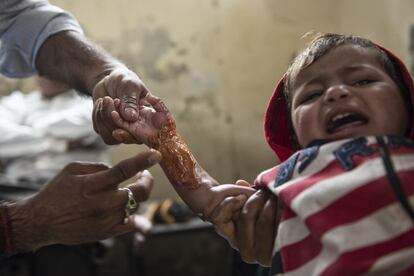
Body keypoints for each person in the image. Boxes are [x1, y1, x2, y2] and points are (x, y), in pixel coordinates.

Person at [108, 33, 414, 275]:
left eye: (362, 80)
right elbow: (213, 200)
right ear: (293, 132)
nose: (335, 93)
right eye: (312, 94)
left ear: (405, 101)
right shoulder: (291, 178)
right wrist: (165, 140)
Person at [0, 0, 161, 257]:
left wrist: (106, 72)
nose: (45, 73)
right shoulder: (18, 103)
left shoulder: (91, 104)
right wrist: (58, 144)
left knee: (68, 237)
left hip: (65, 194)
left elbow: (21, 17)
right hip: (14, 189)